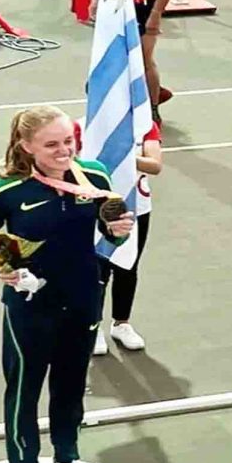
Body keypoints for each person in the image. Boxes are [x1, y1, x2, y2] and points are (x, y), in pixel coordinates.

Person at [0, 106, 134, 463]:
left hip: (84, 299)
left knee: (70, 388)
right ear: (26, 146)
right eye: (51, 144)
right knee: (25, 391)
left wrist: (118, 231)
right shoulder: (8, 190)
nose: (64, 150)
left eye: (68, 141)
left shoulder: (94, 176)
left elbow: (110, 230)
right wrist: (2, 267)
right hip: (31, 307)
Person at [83, 122, 163, 355]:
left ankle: (121, 323)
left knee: (128, 267)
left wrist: (125, 158)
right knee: (99, 268)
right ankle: (94, 326)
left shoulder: (146, 128)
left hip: (138, 206)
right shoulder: (89, 123)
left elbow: (155, 165)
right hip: (99, 207)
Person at [71, 0, 176, 123]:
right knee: (111, 60)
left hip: (142, 6)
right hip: (112, 7)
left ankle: (152, 112)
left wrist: (156, 14)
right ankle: (120, 105)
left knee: (143, 59)